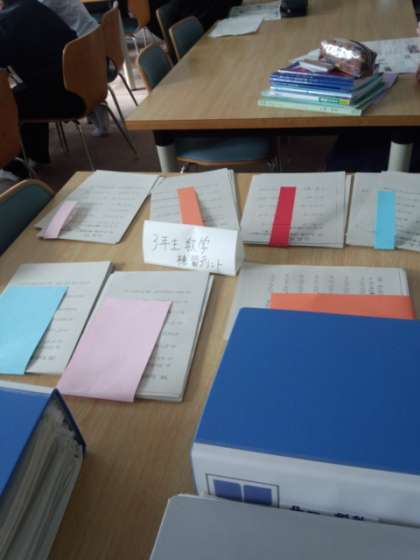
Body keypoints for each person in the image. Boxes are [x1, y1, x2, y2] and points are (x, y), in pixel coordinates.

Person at [0, 0, 85, 171]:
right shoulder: (34, 6)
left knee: (7, 106)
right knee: (23, 91)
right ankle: (36, 156)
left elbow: (3, 60)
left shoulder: (6, 20)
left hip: (64, 98)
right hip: (81, 84)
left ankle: (17, 167)